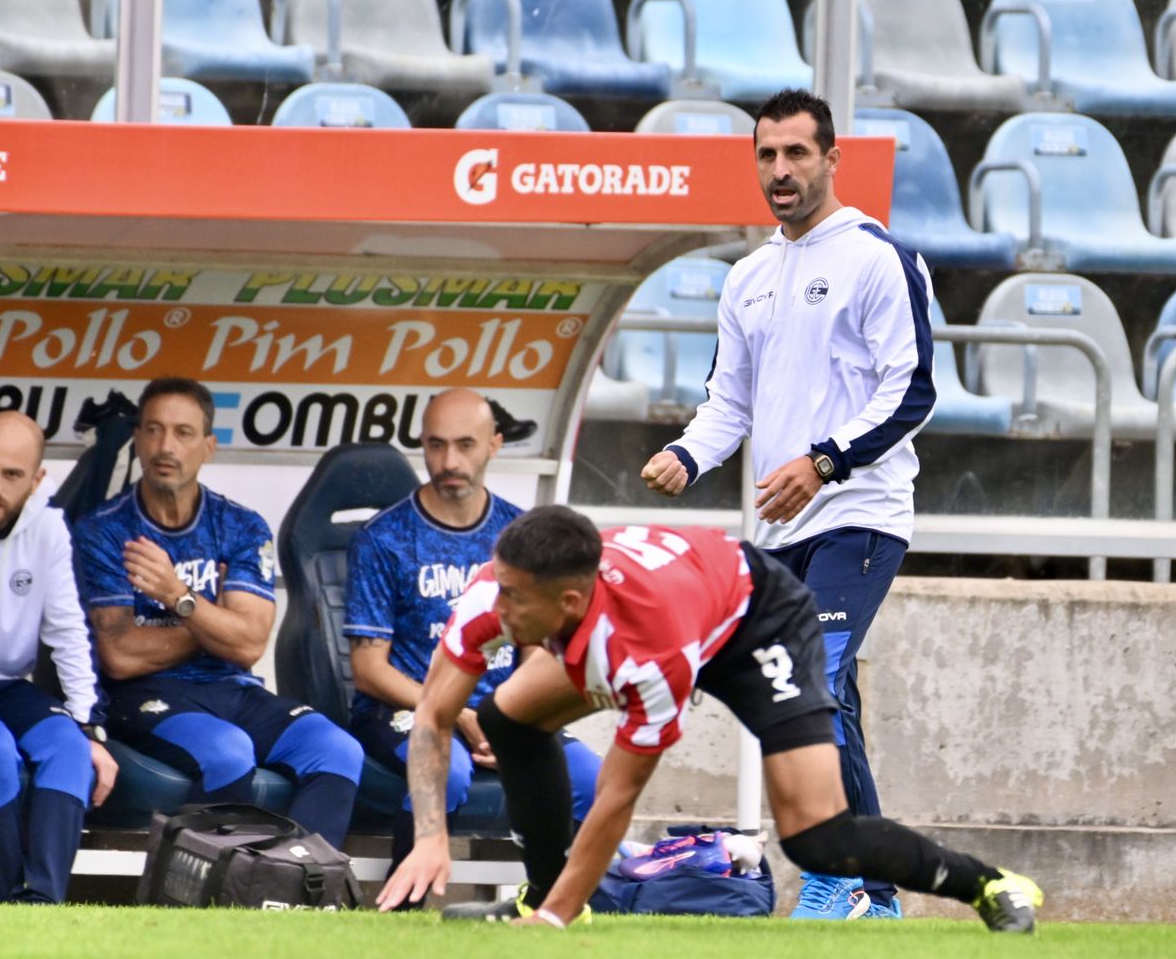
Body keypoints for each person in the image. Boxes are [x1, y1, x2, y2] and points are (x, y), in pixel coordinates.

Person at [377, 506, 1042, 931]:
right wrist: (432, 834)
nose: (502, 615)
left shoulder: (644, 650)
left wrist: (553, 922)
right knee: (508, 716)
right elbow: (434, 715)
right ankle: (544, 894)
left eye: (517, 601)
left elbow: (616, 797)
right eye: (504, 590)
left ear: (570, 599)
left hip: (756, 620)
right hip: (673, 602)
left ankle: (988, 883)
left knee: (817, 835)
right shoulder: (496, 594)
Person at [639, 88, 936, 919]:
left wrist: (826, 460)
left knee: (822, 678)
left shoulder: (878, 257)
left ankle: (840, 873)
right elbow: (728, 402)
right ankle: (874, 894)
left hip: (860, 513)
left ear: (832, 160)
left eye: (797, 153)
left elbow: (912, 391)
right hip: (779, 524)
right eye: (767, 155)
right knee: (818, 697)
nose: (781, 170)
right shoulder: (750, 276)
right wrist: (687, 453)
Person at [73, 377, 363, 847]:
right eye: (154, 430)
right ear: (139, 439)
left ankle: (298, 890)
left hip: (232, 690)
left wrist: (178, 597)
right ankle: (219, 900)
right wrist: (216, 622)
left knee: (336, 750)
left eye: (184, 433)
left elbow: (249, 645)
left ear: (209, 446)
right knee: (228, 752)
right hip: (144, 697)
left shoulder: (241, 525)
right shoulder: (104, 531)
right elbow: (121, 657)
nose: (167, 446)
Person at [343, 388, 599, 875]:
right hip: (405, 711)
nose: (449, 461)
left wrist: (512, 721)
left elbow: (539, 651)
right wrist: (458, 714)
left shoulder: (520, 535)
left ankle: (563, 913)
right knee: (449, 774)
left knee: (590, 776)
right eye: (436, 445)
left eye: (465, 445)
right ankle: (405, 914)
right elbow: (368, 670)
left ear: (495, 444)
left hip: (501, 713)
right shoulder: (383, 539)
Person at [0, 412, 119, 904]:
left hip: (5, 685)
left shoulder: (49, 530)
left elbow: (68, 632)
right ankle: (7, 906)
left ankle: (44, 905)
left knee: (68, 747)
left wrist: (88, 727)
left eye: (11, 474)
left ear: (37, 479)